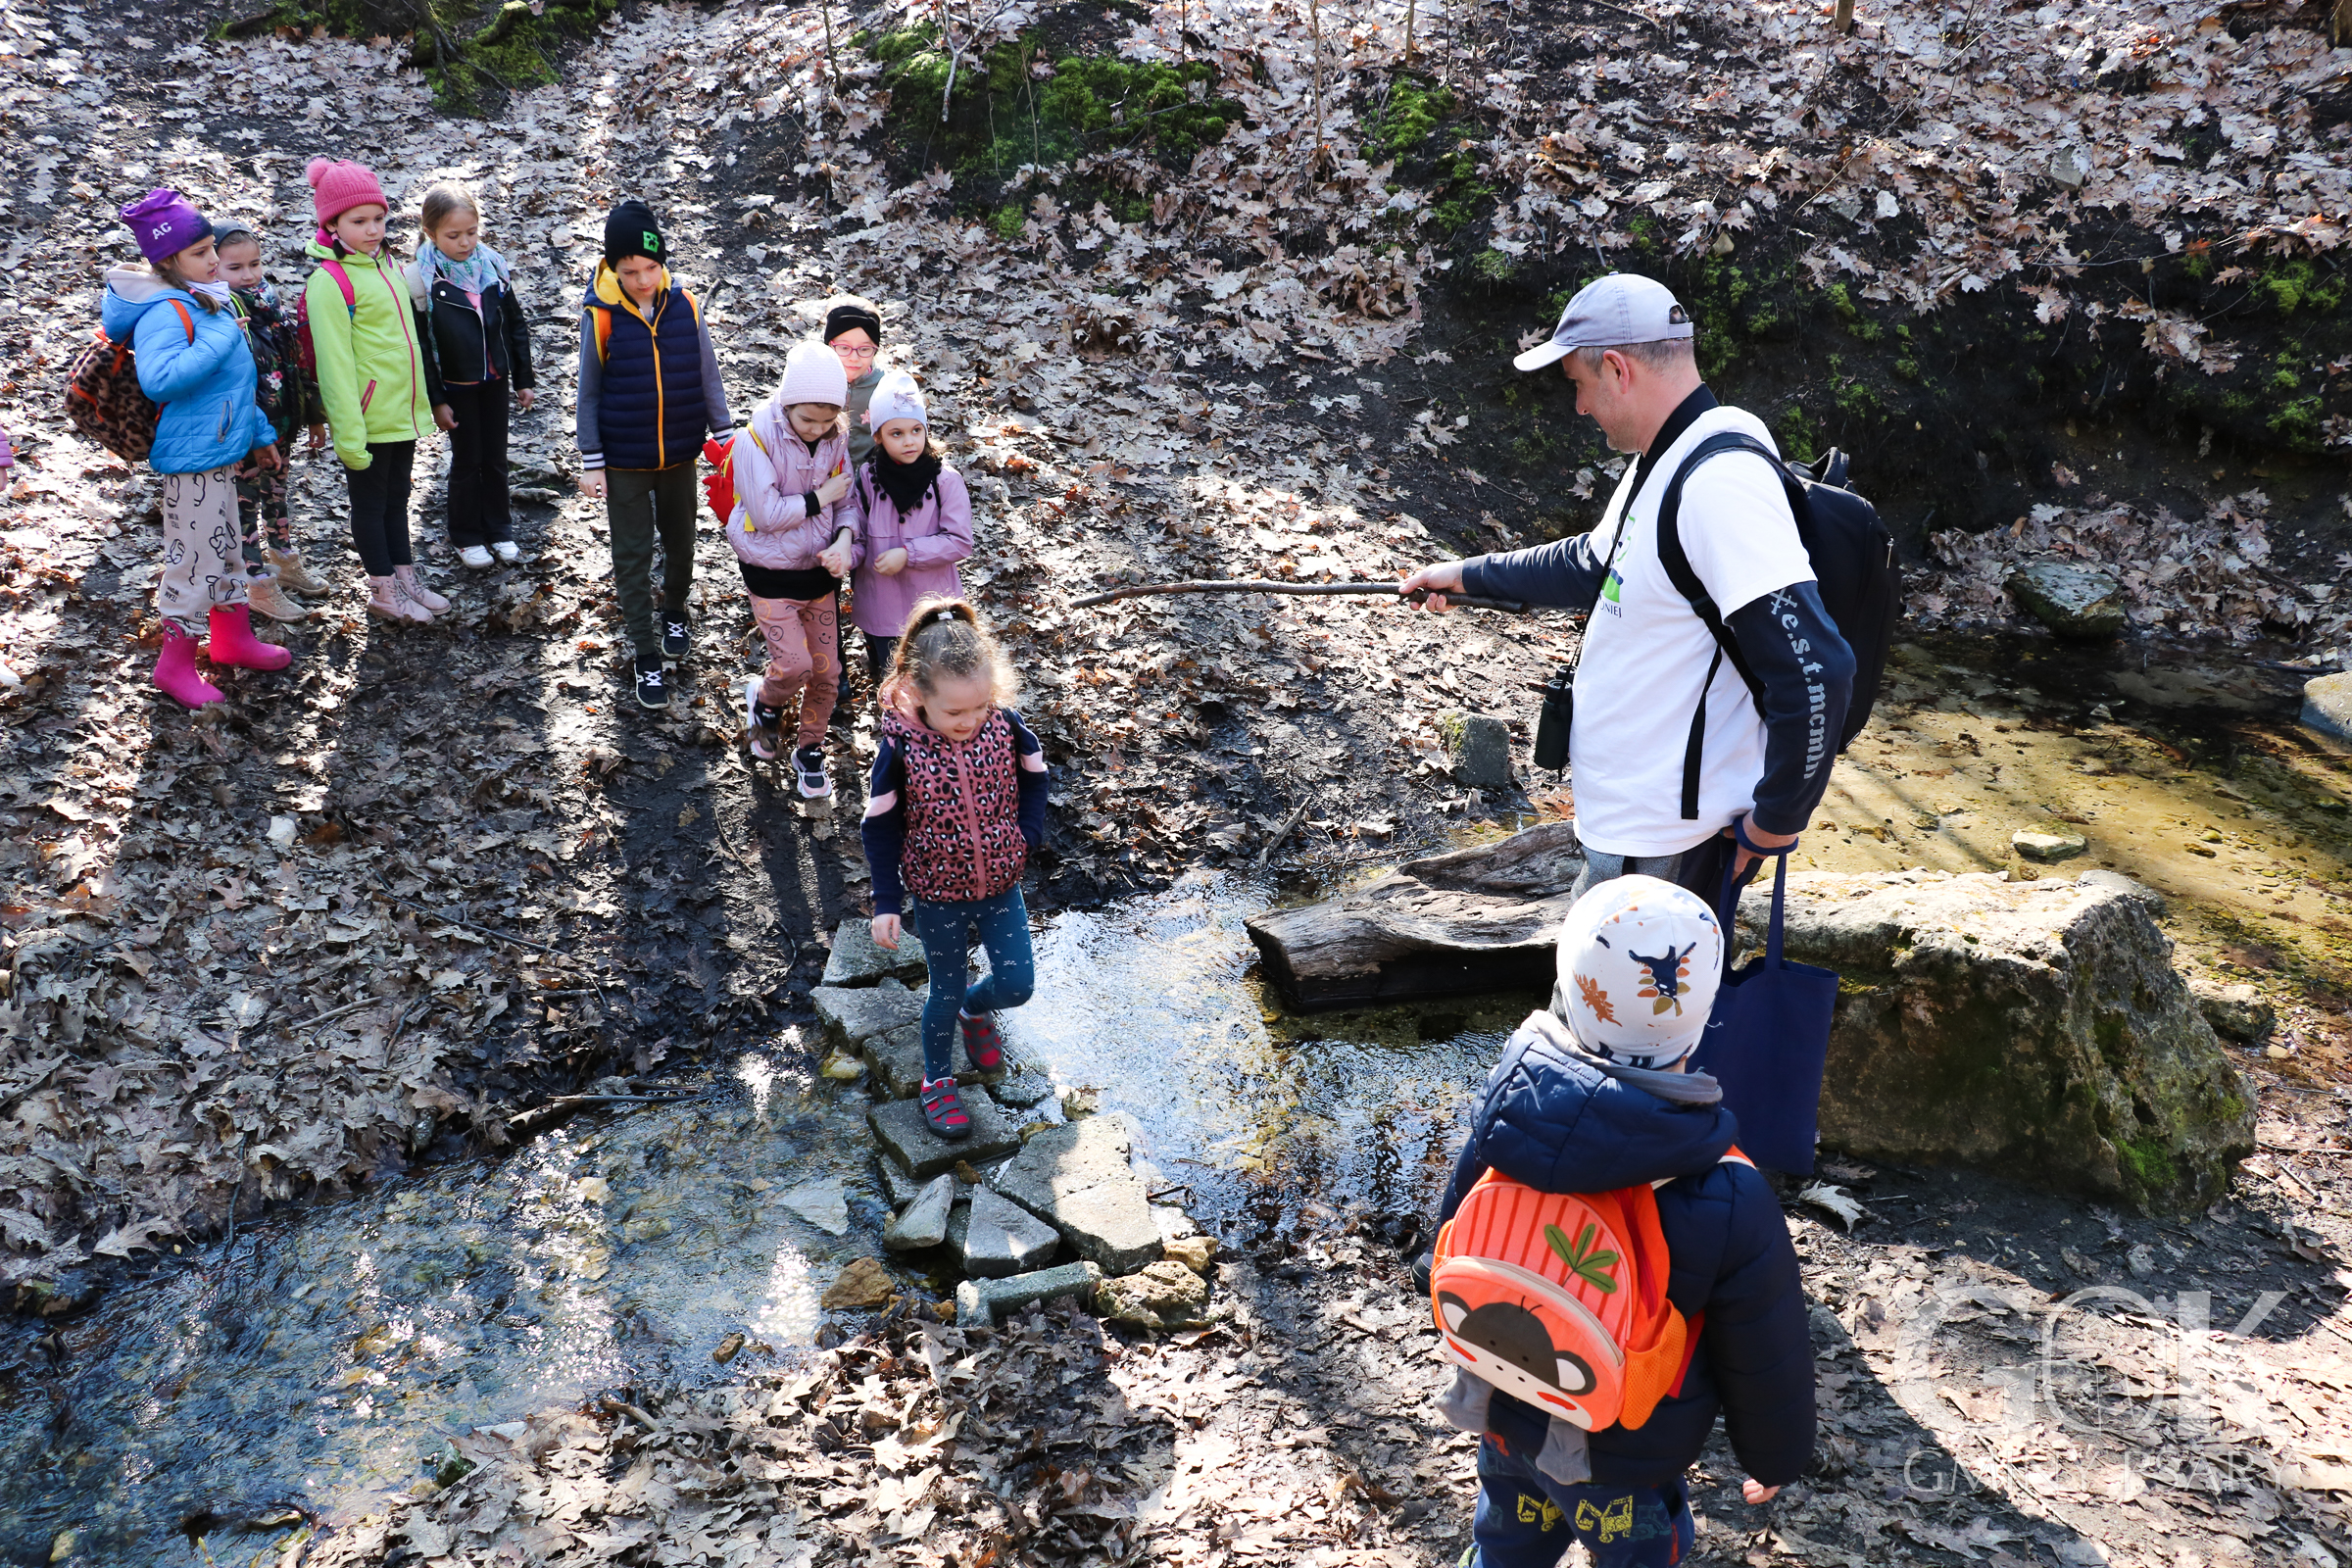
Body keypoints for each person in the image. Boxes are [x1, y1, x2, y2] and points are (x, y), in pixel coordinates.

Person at [1402, 274, 1855, 907]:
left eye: (1578, 385)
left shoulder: (1720, 484)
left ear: (1617, 369)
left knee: (1623, 978)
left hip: (1671, 845)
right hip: (1634, 835)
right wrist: (1469, 575)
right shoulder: (1666, 455)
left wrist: (1776, 820)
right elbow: (1592, 564)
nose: (1580, 407)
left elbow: (1818, 670)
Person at [1433, 875, 1813, 1567]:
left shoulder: (1511, 1111)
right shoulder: (1727, 1188)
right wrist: (1775, 1456)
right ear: (1703, 1019)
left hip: (1501, 1405)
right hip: (1621, 1453)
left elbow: (1448, 1236)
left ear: (1568, 990)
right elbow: (1764, 1348)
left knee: (1506, 1545)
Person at [862, 600, 1049, 1139]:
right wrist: (887, 902)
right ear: (918, 693)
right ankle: (937, 1082)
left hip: (1002, 886)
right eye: (955, 712)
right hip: (938, 895)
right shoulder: (901, 750)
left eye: (980, 707)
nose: (969, 722)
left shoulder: (1006, 727)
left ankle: (976, 1010)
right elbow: (879, 827)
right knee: (943, 990)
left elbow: (1036, 778)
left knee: (1017, 984)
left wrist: (1027, 834)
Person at [105, 189, 291, 707]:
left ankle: (232, 640)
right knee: (193, 561)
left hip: (222, 451)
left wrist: (260, 434)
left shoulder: (205, 298)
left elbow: (233, 384)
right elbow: (161, 380)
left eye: (212, 248)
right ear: (169, 261)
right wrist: (220, 338)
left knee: (227, 548)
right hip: (190, 461)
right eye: (200, 252)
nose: (213, 259)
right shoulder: (166, 311)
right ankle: (174, 666)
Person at [574, 197, 734, 710]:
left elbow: (708, 373)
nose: (642, 280)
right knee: (633, 555)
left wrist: (724, 435)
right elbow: (588, 391)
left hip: (680, 455)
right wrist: (591, 459)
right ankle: (645, 653)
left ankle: (676, 612)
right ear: (612, 268)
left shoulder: (685, 305)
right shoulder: (601, 315)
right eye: (629, 271)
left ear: (662, 261)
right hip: (623, 460)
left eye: (650, 267)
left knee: (682, 542)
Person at [303, 156, 446, 625]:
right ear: (332, 224)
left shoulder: (389, 267)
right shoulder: (329, 282)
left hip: (399, 412)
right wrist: (348, 434)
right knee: (370, 505)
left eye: (378, 219)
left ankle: (404, 578)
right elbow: (335, 365)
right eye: (358, 221)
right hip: (365, 419)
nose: (372, 230)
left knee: (396, 500)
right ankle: (382, 589)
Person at [725, 340, 859, 795]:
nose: (818, 430)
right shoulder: (755, 439)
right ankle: (764, 705)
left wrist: (844, 539)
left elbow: (848, 502)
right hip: (771, 575)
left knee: (827, 673)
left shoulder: (835, 437)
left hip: (819, 574)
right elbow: (765, 514)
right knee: (795, 665)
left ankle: (810, 748)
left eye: (828, 420)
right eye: (808, 420)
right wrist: (820, 498)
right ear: (787, 405)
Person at [410, 180, 535, 569]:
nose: (465, 242)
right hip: (457, 385)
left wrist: (523, 378)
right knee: (468, 459)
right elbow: (421, 346)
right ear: (430, 233)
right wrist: (437, 399)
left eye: (471, 232)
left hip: (494, 380)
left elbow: (514, 323)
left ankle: (499, 528)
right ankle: (466, 535)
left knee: (495, 458)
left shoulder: (493, 267)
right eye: (453, 235)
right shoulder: (421, 279)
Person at [216, 225, 328, 623]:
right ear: (214, 267)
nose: (248, 275)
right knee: (244, 505)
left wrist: (311, 415)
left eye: (255, 263)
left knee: (277, 494)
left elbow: (294, 360)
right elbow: (232, 381)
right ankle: (257, 583)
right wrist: (254, 431)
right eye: (235, 267)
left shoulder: (268, 299)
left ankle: (284, 559)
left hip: (282, 421)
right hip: (245, 432)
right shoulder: (221, 310)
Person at [849, 371, 972, 682]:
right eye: (897, 433)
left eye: (916, 430)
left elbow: (959, 540)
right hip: (880, 607)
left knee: (935, 681)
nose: (909, 441)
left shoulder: (945, 480)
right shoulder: (867, 479)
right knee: (892, 681)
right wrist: (844, 554)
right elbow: (857, 532)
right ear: (878, 436)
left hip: (933, 607)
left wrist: (908, 553)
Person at [823, 297, 886, 466]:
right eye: (844, 348)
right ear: (829, 345)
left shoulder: (885, 387)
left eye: (864, 349)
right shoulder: (814, 382)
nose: (854, 358)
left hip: (872, 472)